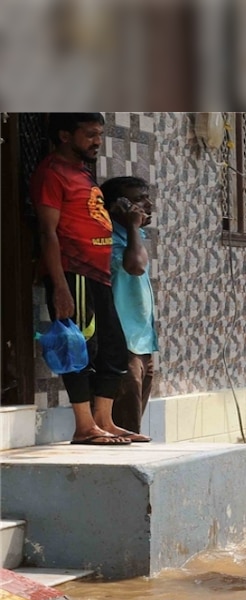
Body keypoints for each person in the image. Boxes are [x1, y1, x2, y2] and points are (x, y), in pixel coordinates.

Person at [30, 113, 134, 446]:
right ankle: (84, 425)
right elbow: (47, 233)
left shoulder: (83, 173)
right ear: (64, 135)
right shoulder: (51, 173)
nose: (97, 141)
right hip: (73, 272)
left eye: (100, 134)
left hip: (98, 275)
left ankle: (104, 420)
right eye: (89, 134)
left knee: (114, 347)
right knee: (79, 348)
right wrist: (60, 286)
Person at [101, 176, 157, 440]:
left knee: (134, 413)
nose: (147, 205)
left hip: (141, 338)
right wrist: (133, 226)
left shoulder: (135, 235)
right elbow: (135, 266)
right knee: (126, 423)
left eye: (146, 198)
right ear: (118, 206)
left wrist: (135, 228)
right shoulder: (110, 238)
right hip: (122, 336)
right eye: (137, 200)